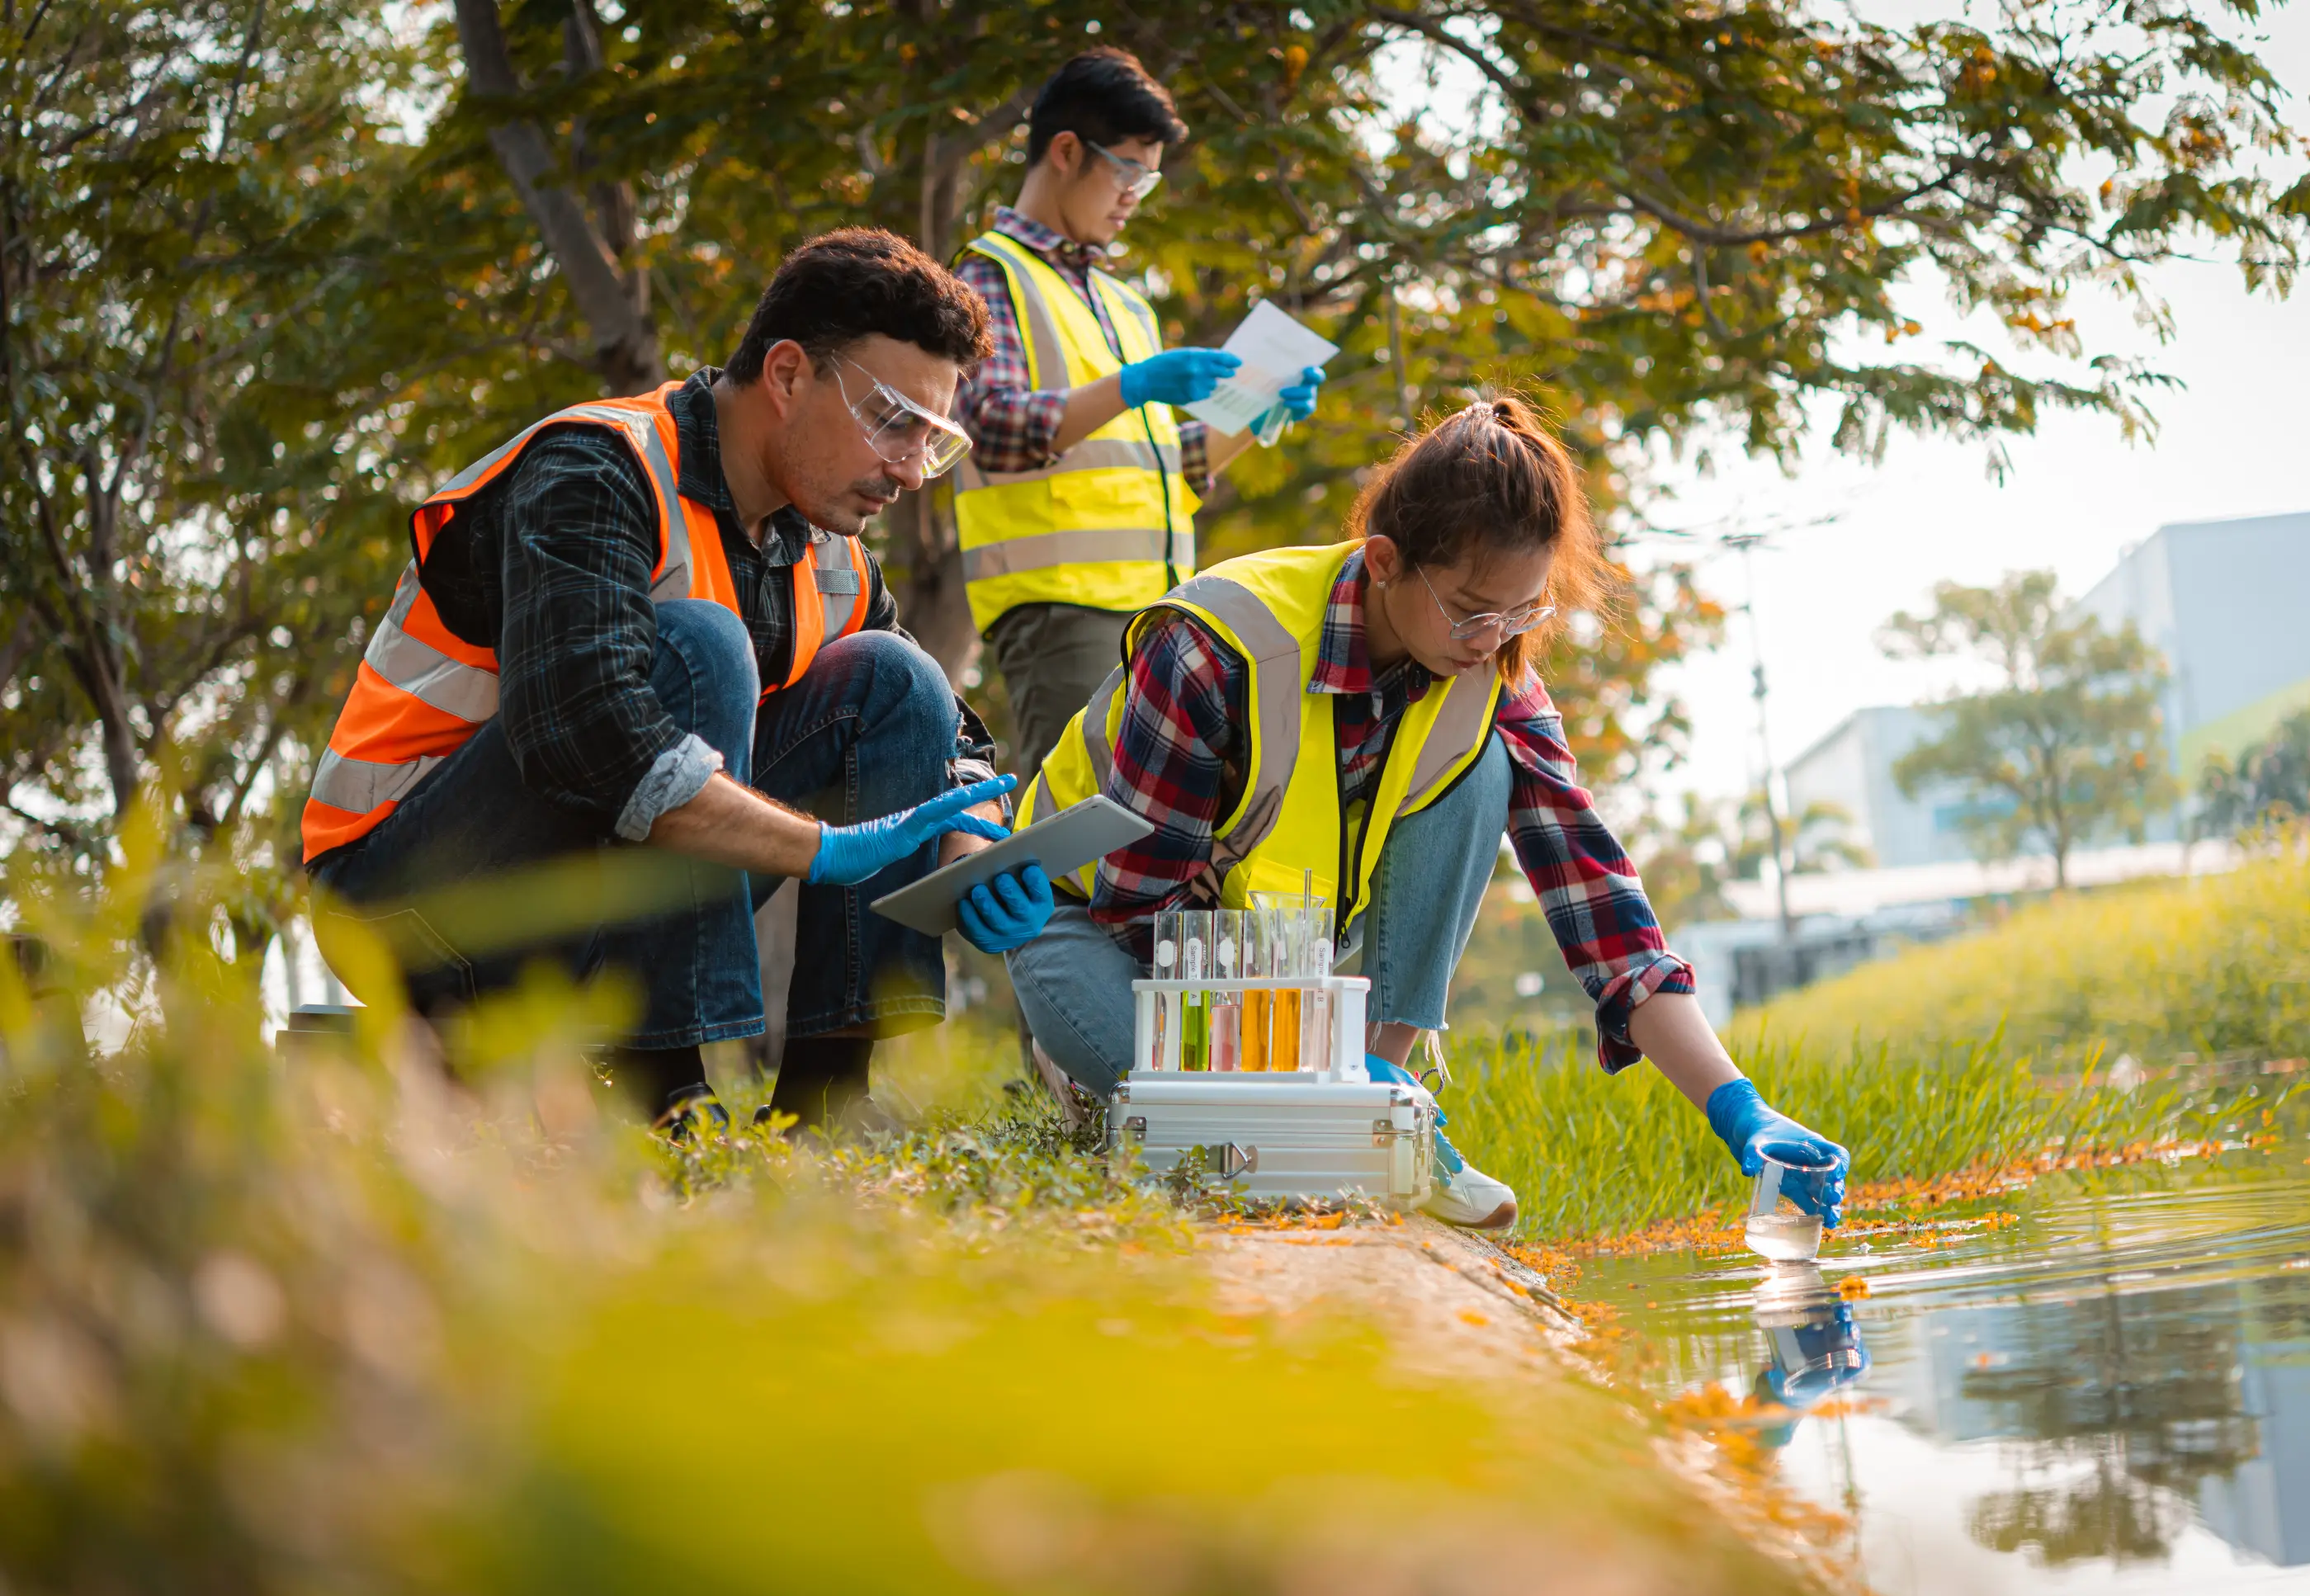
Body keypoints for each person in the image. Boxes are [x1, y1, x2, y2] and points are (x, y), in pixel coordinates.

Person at [1003, 398, 1849, 1231]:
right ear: (1381, 560)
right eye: (1469, 607)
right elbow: (1140, 912)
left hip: (1272, 968)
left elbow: (1599, 906)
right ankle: (1269, 1108)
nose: (1490, 638)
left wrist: (1738, 1106)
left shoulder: (1493, 680)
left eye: (1522, 611)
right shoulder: (1215, 644)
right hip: (1092, 931)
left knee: (1486, 768)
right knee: (1254, 1159)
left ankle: (1375, 1099)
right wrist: (1323, 1071)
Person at [302, 229, 1055, 1127]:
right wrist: (819, 847)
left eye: (930, 441)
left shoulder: (829, 551)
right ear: (785, 375)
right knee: (701, 645)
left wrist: (970, 853)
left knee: (895, 677)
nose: (905, 470)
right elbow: (582, 734)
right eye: (892, 421)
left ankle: (828, 1112)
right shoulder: (593, 469)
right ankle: (669, 1097)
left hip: (590, 905)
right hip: (412, 907)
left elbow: (954, 736)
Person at [949, 47, 1322, 763]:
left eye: (1145, 182)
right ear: (1065, 151)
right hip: (1062, 609)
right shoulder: (989, 273)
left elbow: (1168, 466)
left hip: (1164, 607)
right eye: (1126, 171)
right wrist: (1132, 385)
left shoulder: (1125, 304)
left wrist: (1256, 410)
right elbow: (989, 429)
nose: (1132, 196)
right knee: (1073, 820)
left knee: (1157, 824)